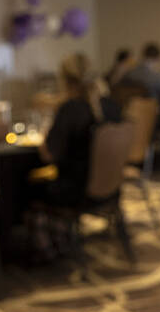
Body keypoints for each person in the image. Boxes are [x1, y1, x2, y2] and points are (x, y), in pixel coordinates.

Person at [45, 53, 123, 208]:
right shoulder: (112, 106)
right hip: (111, 185)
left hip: (77, 190)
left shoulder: (70, 109)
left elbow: (50, 154)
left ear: (65, 80)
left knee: (24, 186)